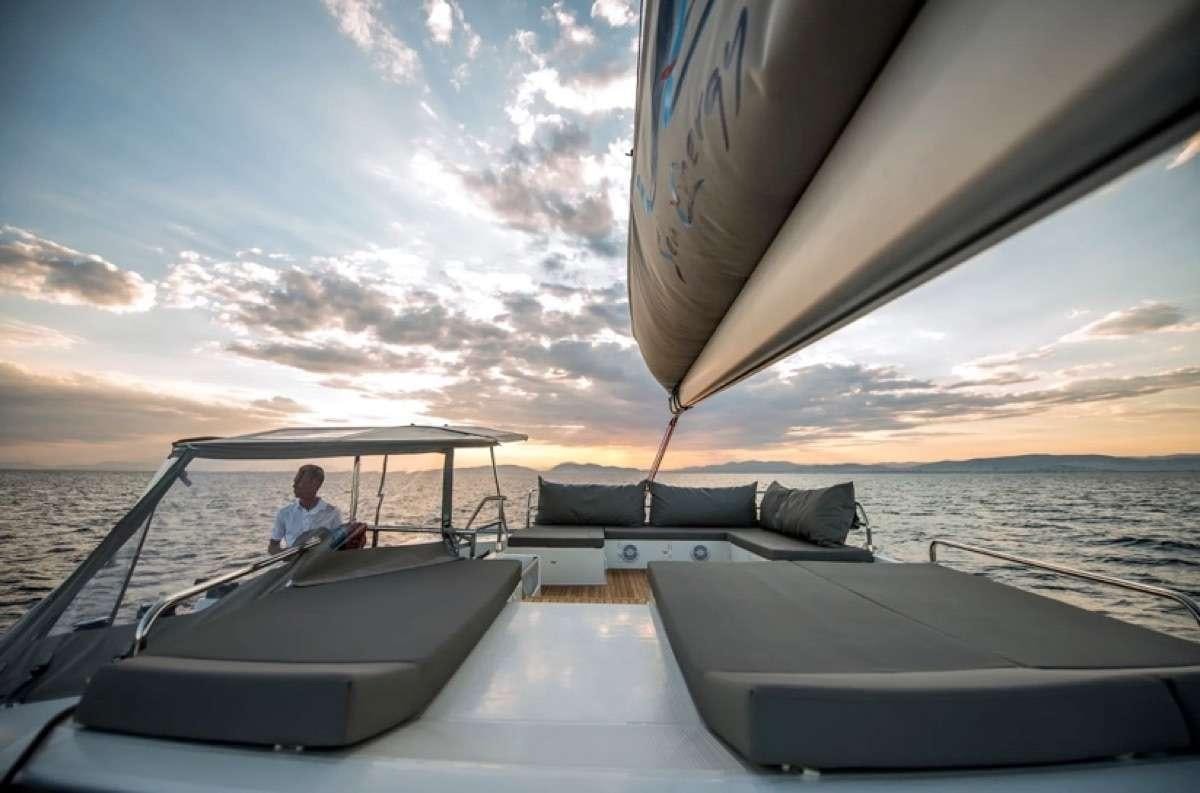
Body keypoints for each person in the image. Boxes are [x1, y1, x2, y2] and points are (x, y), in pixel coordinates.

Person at [268, 464, 365, 553]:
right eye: (295, 481)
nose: (294, 485)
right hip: (293, 567)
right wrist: (289, 555)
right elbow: (272, 547)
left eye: (298, 481)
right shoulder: (284, 513)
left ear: (315, 484)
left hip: (321, 566)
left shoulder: (333, 513)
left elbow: (339, 545)